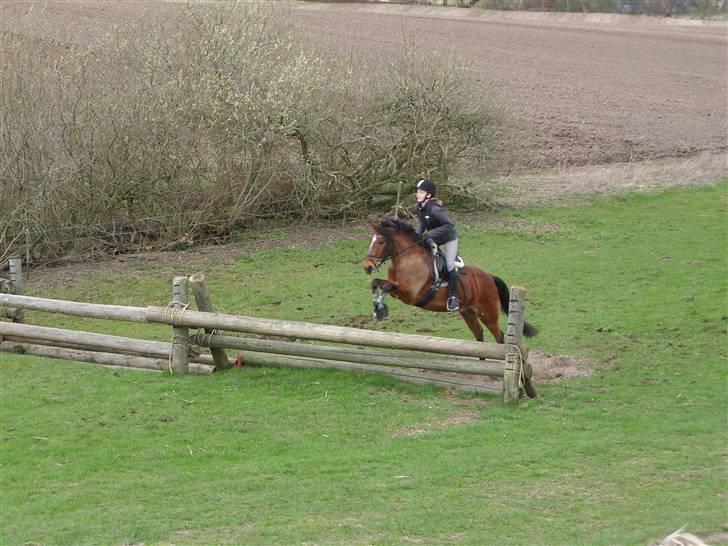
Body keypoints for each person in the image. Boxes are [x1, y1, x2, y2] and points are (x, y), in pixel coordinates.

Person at [414, 178, 460, 311]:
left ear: (429, 195)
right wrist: (415, 237)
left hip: (449, 238)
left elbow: (449, 225)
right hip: (435, 238)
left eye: (421, 192)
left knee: (450, 264)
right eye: (417, 192)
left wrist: (429, 235)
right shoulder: (419, 208)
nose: (418, 194)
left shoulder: (435, 210)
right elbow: (422, 224)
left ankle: (453, 297)